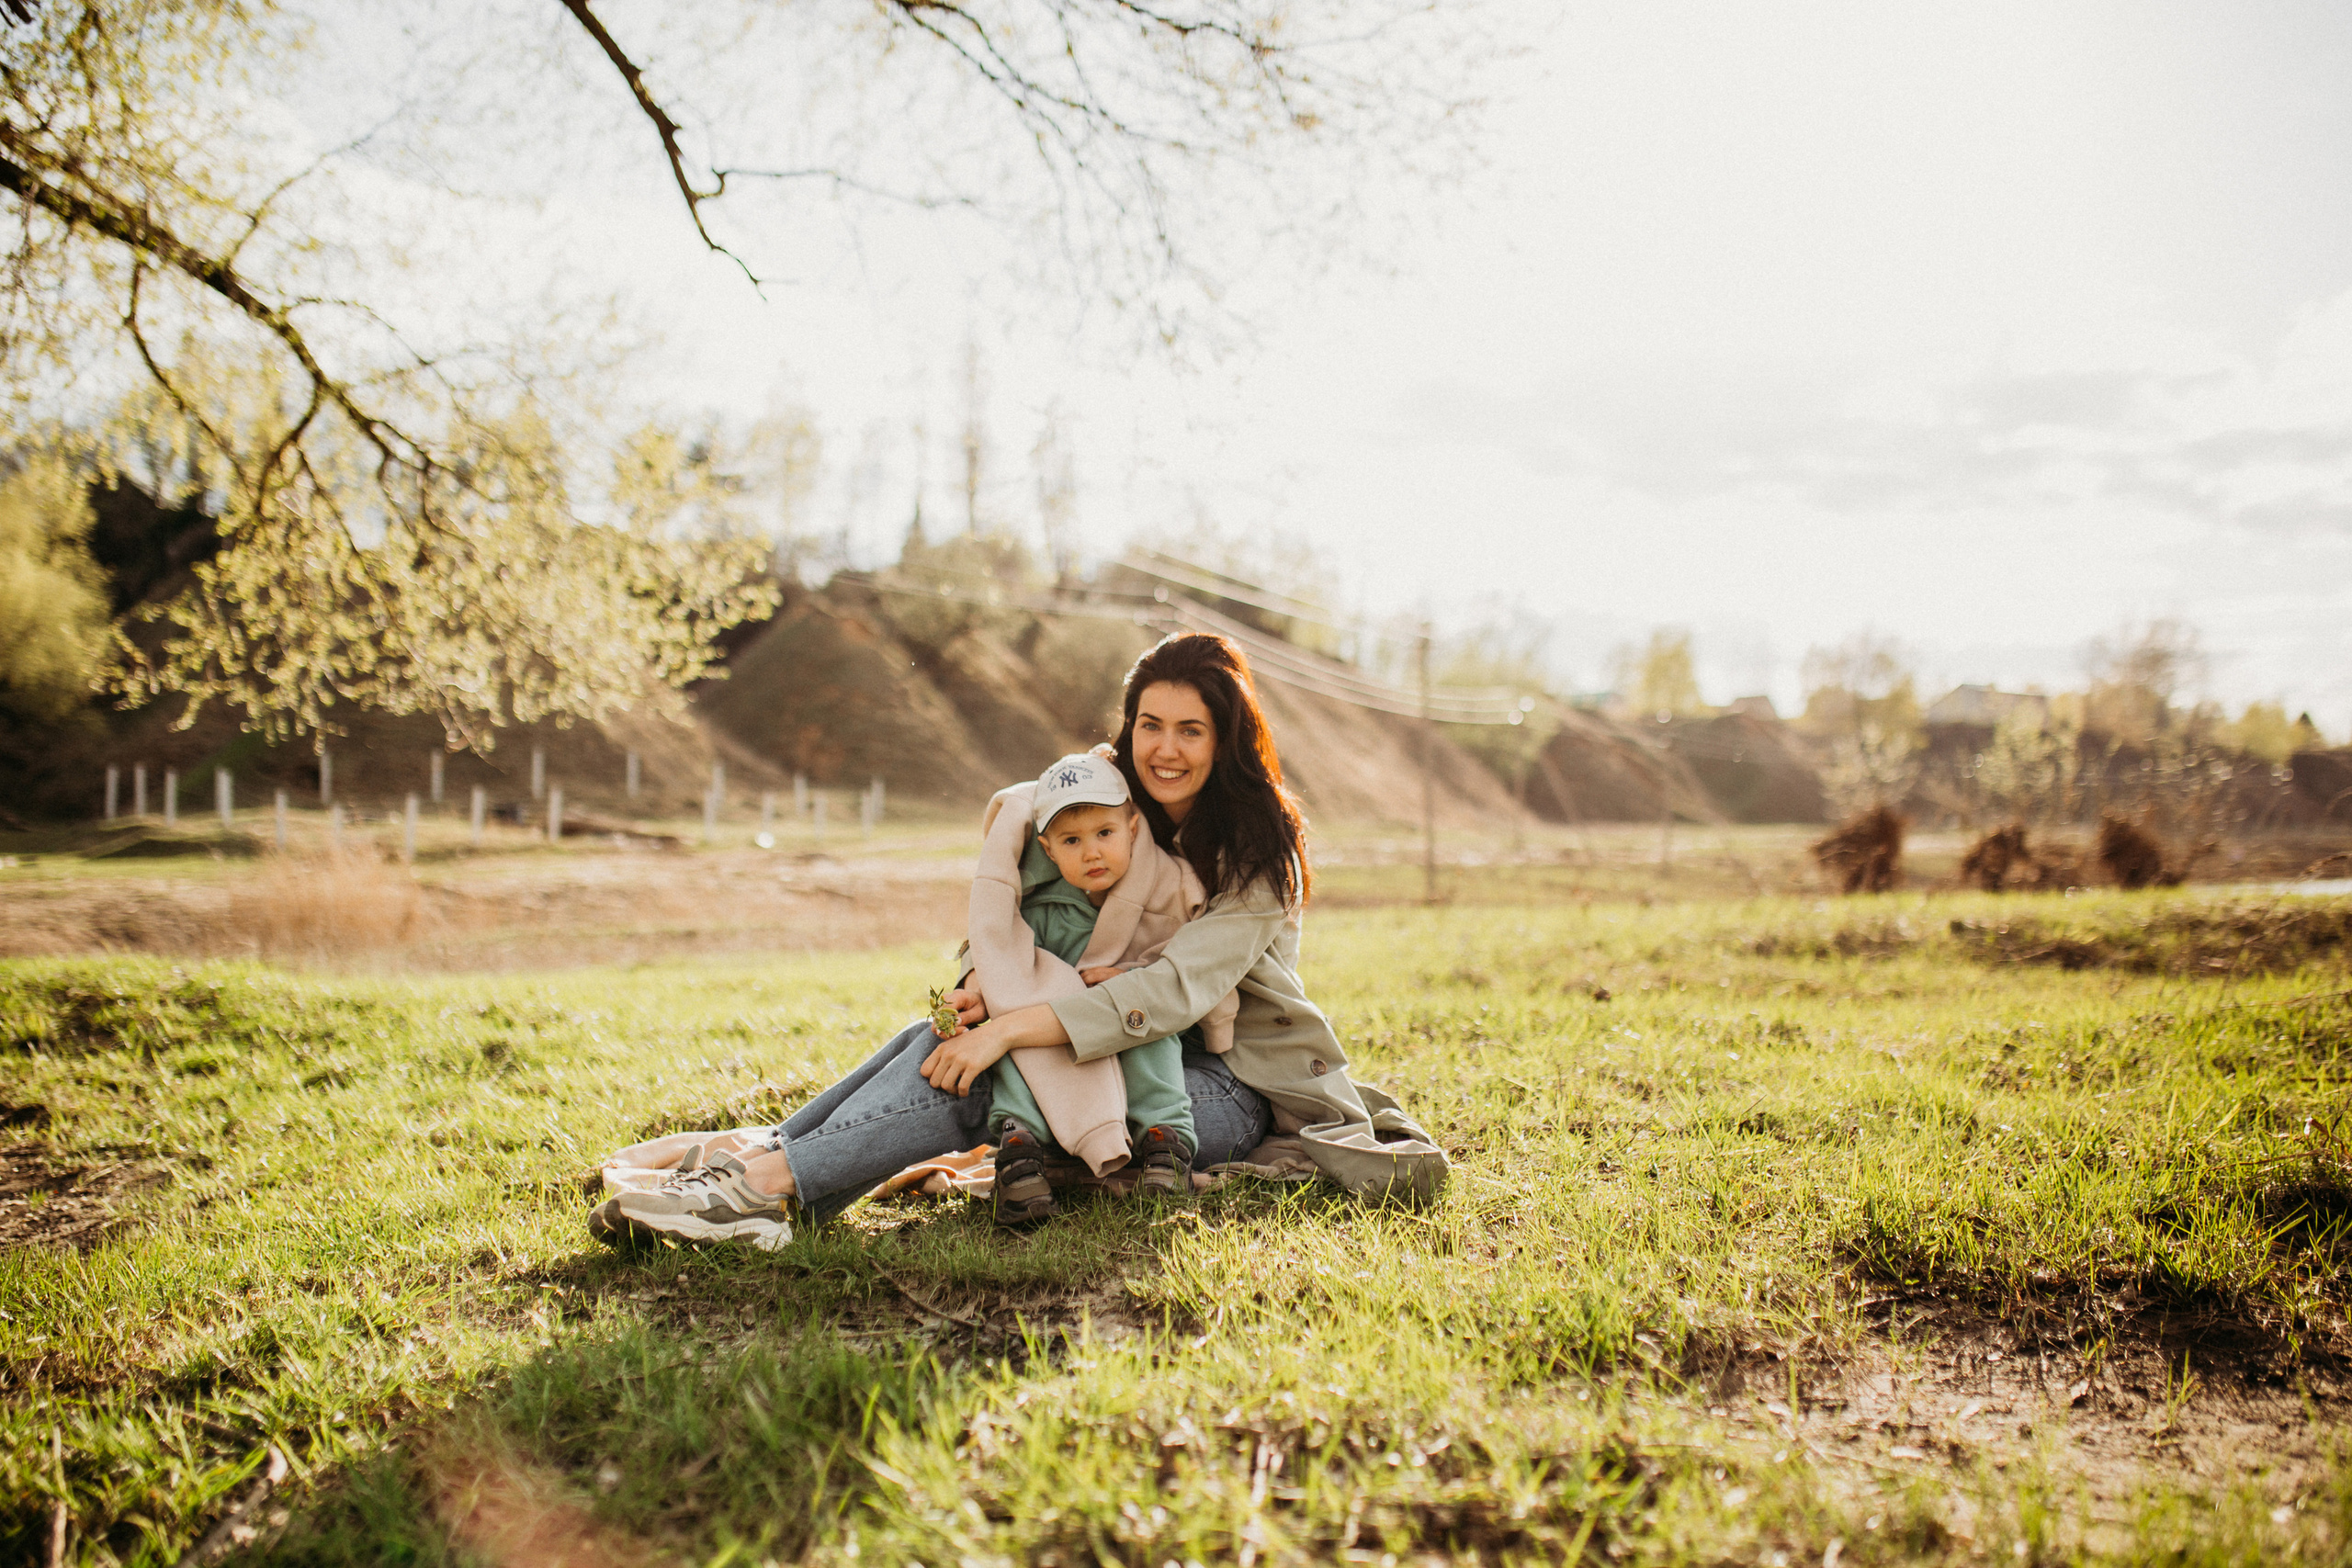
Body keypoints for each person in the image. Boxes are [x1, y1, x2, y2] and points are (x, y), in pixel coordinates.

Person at [588, 631, 1442, 1253]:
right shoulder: (1101, 805)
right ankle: (765, 1170)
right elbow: (1016, 913)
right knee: (942, 1040)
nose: (1166, 748)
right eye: (1151, 723)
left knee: (998, 1064)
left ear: (1225, 739)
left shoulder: (1257, 854)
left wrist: (1008, 1029)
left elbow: (1166, 994)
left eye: (1192, 729)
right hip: (1094, 1036)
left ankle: (760, 1187)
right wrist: (977, 988)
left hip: (1217, 1089)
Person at [974, 750, 1200, 1224]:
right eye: (1072, 840)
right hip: (1053, 1035)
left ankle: (1164, 1138)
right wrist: (975, 983)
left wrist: (1135, 977)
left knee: (1145, 1022)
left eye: (1105, 833)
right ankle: (1020, 1145)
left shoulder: (1168, 889)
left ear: (1132, 830)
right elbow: (1001, 954)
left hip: (1131, 1026)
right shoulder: (1042, 908)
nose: (1092, 852)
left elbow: (1183, 968)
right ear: (1048, 850)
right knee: (1014, 1030)